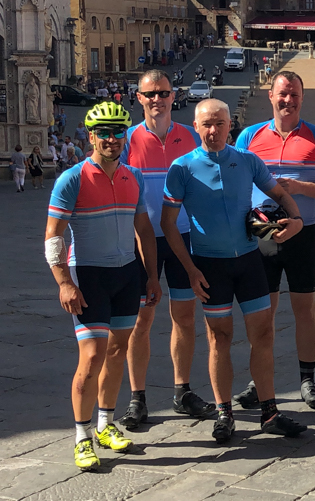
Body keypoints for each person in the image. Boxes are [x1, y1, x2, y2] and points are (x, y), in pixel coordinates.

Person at [162, 99, 308, 442]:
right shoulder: (181, 168)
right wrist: (190, 269)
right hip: (210, 265)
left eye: (220, 124)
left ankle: (269, 411)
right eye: (206, 125)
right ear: (195, 127)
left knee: (264, 335)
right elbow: (168, 225)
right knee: (220, 339)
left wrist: (297, 220)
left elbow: (280, 194)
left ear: (231, 126)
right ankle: (225, 412)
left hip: (248, 261)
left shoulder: (247, 160)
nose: (213, 131)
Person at [45, 101, 160, 471]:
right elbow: (53, 238)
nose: (113, 140)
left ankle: (105, 424)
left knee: (116, 352)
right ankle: (81, 437)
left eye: (119, 133)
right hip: (89, 275)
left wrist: (152, 275)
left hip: (126, 274)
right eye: (105, 134)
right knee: (92, 357)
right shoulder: (72, 178)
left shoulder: (133, 176)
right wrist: (64, 283)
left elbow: (144, 230)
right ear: (91, 137)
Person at [234, 71, 315, 411]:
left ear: (301, 97)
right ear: (271, 96)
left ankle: (307, 379)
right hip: (262, 235)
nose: (288, 100)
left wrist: (299, 188)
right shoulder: (249, 136)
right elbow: (235, 183)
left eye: (294, 94)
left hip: (303, 233)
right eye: (283, 93)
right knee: (261, 314)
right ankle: (259, 381)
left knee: (304, 310)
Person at [117, 70, 214, 431]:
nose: (157, 99)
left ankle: (182, 391)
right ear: (138, 98)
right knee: (140, 320)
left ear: (174, 96)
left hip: (184, 238)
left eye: (163, 93)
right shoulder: (127, 141)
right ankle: (137, 397)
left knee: (185, 318)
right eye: (150, 94)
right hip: (142, 241)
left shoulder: (190, 137)